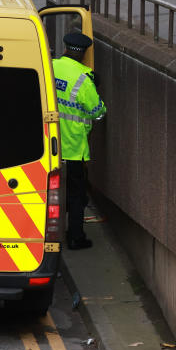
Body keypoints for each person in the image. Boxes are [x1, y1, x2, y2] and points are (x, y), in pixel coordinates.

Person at [52, 32, 106, 250]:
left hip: (49, 144)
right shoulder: (84, 78)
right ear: (83, 53)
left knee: (50, 192)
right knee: (75, 195)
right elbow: (96, 111)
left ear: (65, 48)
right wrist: (102, 108)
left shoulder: (51, 66)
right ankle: (75, 237)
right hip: (73, 147)